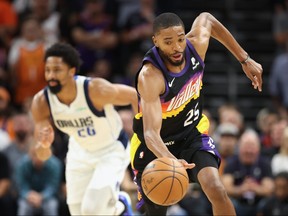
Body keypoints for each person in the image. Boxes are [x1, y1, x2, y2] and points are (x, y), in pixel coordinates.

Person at [130, 12, 263, 216]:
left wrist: (245, 59)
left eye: (181, 39)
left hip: (191, 135)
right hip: (155, 145)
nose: (177, 47)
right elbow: (150, 134)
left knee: (216, 189)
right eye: (168, 42)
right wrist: (171, 160)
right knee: (157, 209)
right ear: (155, 41)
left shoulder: (196, 46)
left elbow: (207, 19)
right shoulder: (151, 76)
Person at [30, 42, 137, 215]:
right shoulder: (41, 102)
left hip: (110, 149)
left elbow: (134, 96)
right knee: (78, 213)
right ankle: (116, 208)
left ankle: (119, 203)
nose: (51, 75)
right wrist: (44, 145)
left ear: (71, 71)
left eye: (57, 70)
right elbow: (42, 155)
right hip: (79, 152)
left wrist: (143, 134)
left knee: (92, 210)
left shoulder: (95, 90)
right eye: (47, 70)